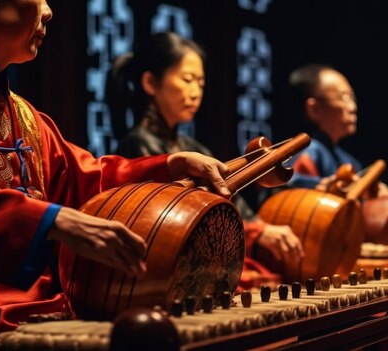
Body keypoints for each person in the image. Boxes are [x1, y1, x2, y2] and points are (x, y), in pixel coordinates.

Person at [0, 2, 232, 349]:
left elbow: (87, 178)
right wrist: (52, 221)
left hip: (48, 312)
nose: (49, 10)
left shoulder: (22, 112)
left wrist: (170, 165)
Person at [107, 32, 304, 288]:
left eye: (200, 82)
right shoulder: (137, 143)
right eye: (187, 80)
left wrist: (261, 229)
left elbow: (234, 204)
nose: (195, 91)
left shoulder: (192, 147)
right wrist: (259, 232)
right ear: (150, 83)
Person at [286, 64, 362, 189]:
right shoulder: (309, 153)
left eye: (352, 98)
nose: (353, 107)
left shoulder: (347, 159)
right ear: (314, 109)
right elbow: (294, 197)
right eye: (343, 97)